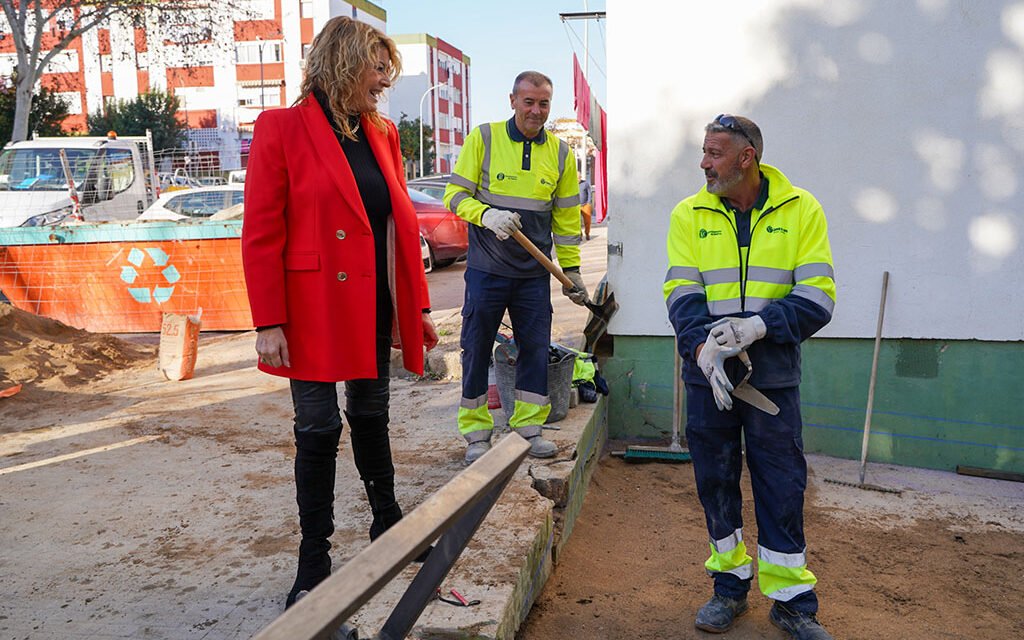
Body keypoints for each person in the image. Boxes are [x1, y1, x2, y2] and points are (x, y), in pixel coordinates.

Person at [241, 16, 438, 608]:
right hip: (309, 307)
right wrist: (267, 320)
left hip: (372, 302)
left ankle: (388, 522)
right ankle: (314, 559)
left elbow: (397, 230)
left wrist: (415, 308)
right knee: (319, 427)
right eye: (376, 70)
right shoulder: (280, 128)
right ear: (343, 64)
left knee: (372, 414)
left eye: (387, 71)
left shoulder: (382, 134)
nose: (383, 82)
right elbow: (261, 232)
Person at [663, 114, 836, 640]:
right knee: (715, 483)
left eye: (714, 153)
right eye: (704, 151)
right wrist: (702, 348)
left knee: (780, 484)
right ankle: (729, 588)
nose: (704, 163)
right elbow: (681, 292)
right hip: (708, 378)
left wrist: (758, 326)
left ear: (746, 158)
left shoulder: (800, 209)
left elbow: (817, 297)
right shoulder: (689, 214)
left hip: (772, 378)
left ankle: (791, 602)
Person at [443, 70, 588, 465]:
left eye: (543, 104)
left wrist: (572, 271)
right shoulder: (484, 138)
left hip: (533, 275)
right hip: (488, 270)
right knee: (475, 348)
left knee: (536, 349)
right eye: (529, 102)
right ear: (512, 101)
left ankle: (528, 429)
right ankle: (475, 432)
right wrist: (486, 214)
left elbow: (567, 218)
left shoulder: (559, 154)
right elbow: (454, 195)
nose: (536, 111)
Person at [578, 175, 593, 241]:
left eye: (579, 177)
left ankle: (587, 233)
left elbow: (589, 193)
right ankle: (579, 235)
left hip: (585, 205)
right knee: (577, 222)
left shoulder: (585, 184)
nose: (578, 179)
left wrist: (589, 202)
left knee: (587, 221)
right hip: (576, 205)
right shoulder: (572, 184)